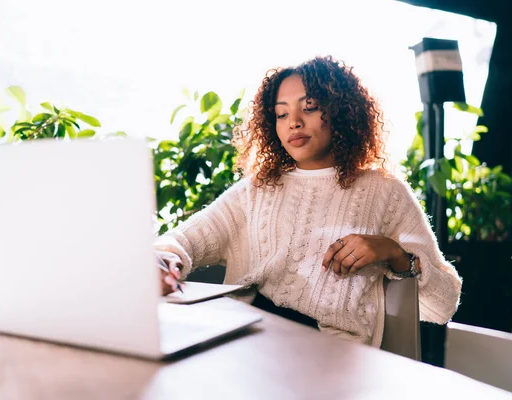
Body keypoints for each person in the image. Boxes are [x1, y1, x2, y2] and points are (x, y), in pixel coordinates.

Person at [154, 55, 462, 346]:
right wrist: (163, 261)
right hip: (248, 338)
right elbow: (182, 241)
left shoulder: (384, 191)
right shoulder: (256, 189)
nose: (294, 122)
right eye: (282, 113)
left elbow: (442, 306)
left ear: (340, 110)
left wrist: (394, 253)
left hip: (334, 357)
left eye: (310, 107)